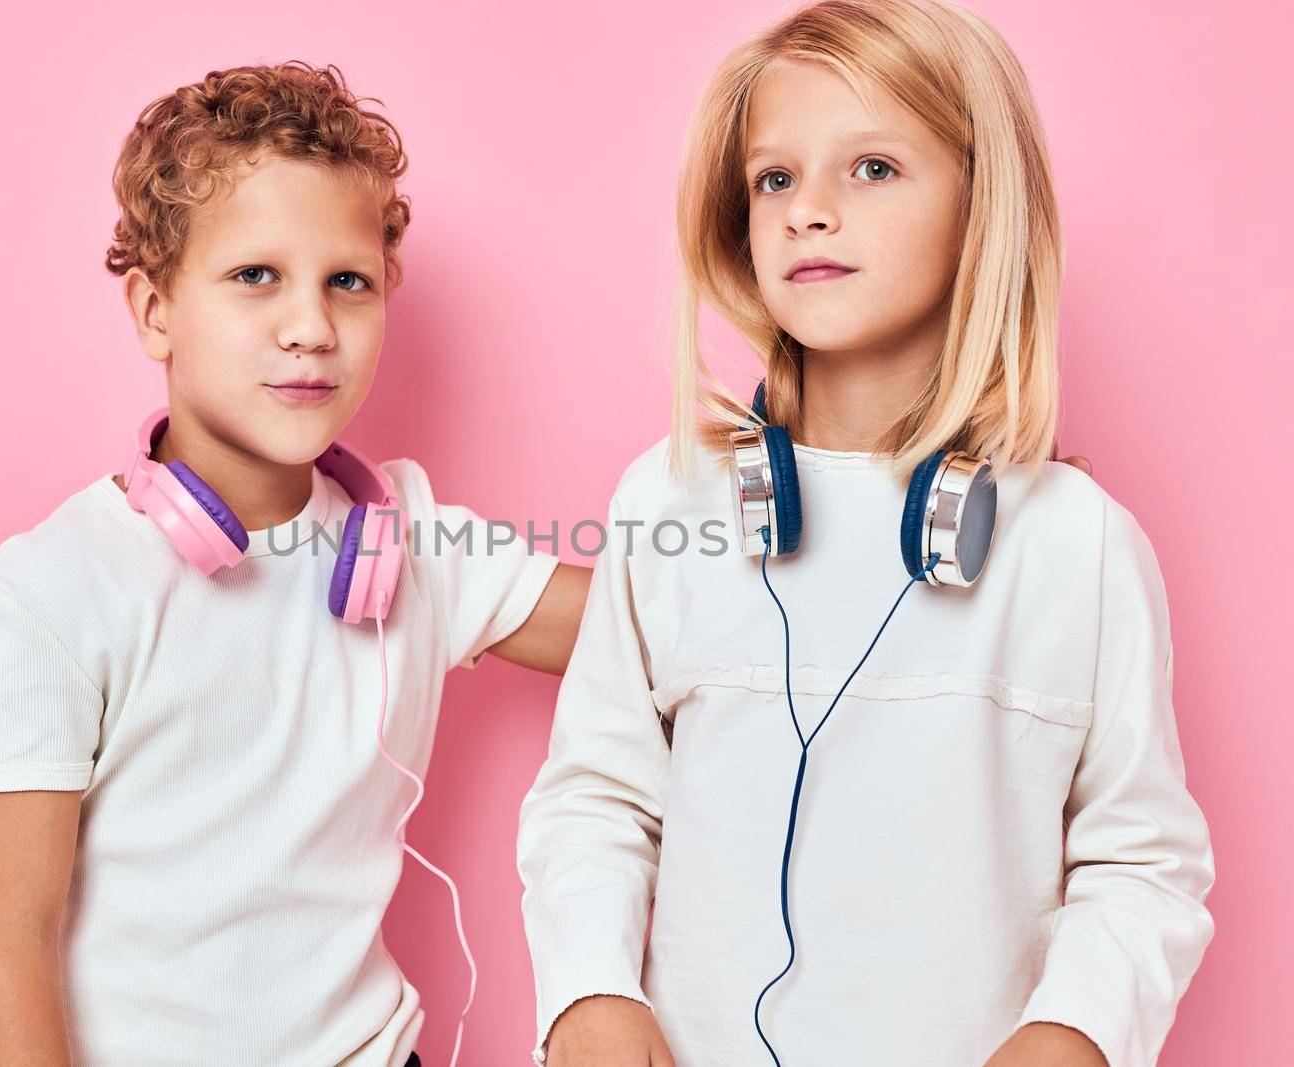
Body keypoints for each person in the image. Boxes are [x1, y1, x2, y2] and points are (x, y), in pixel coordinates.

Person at [516, 3, 1213, 1065]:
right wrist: (588, 994)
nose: (809, 212)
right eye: (774, 178)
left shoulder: (1080, 547)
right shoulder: (668, 503)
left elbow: (1144, 861)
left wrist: (1072, 1031)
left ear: (983, 209)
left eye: (873, 168)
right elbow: (595, 797)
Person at [0, 62, 588, 1067]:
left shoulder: (407, 539)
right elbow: (1, 952)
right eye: (256, 276)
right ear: (155, 309)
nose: (310, 327)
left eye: (348, 281)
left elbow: (658, 627)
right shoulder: (45, 596)